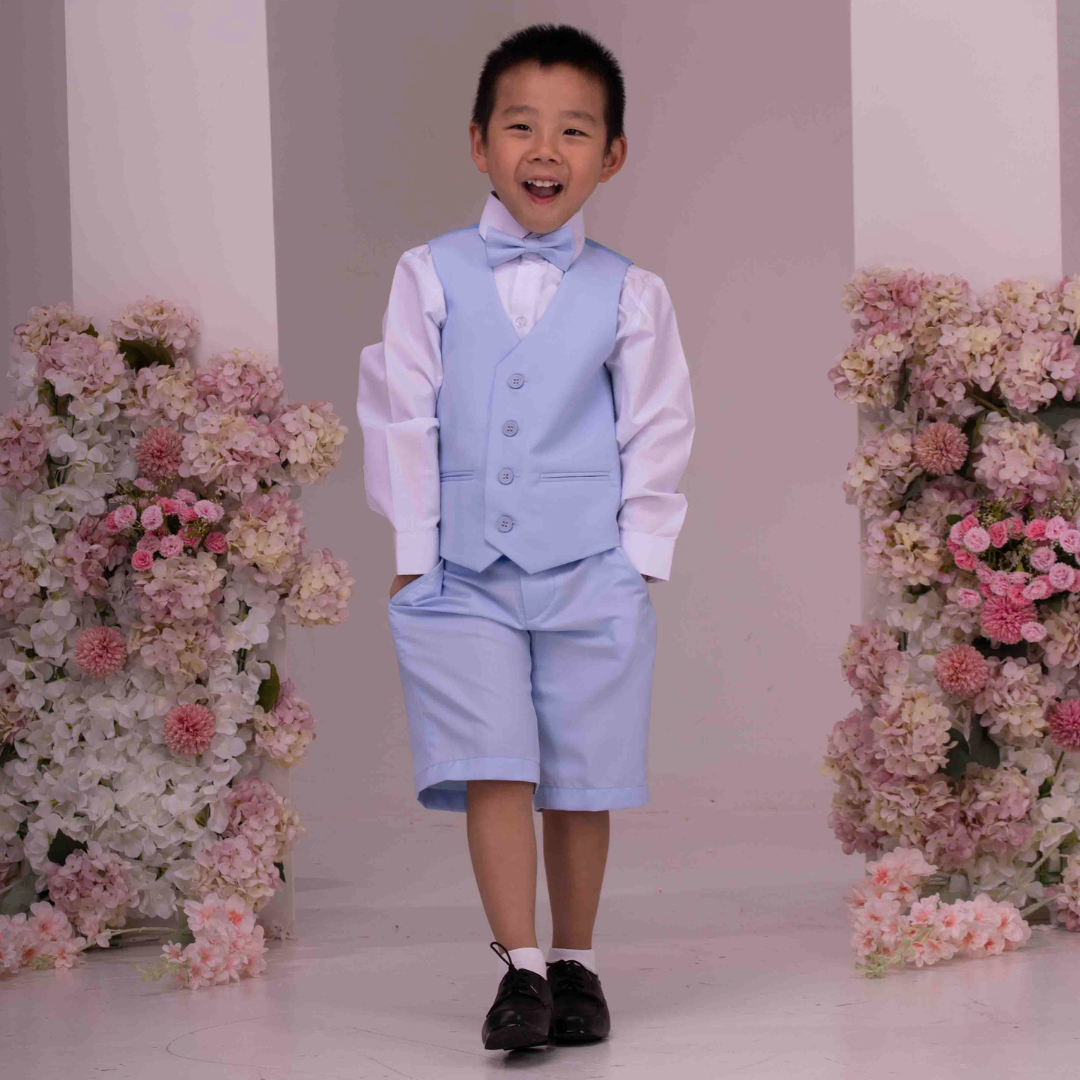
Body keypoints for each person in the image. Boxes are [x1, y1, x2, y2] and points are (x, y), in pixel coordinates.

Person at [356, 22, 695, 1052]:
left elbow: (659, 425)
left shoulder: (631, 291)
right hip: (461, 572)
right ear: (478, 143)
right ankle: (521, 969)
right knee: (494, 763)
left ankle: (577, 959)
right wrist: (414, 551)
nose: (545, 151)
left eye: (574, 131)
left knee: (582, 775)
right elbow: (402, 410)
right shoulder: (429, 273)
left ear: (612, 155)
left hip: (589, 568)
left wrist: (639, 558)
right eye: (520, 127)